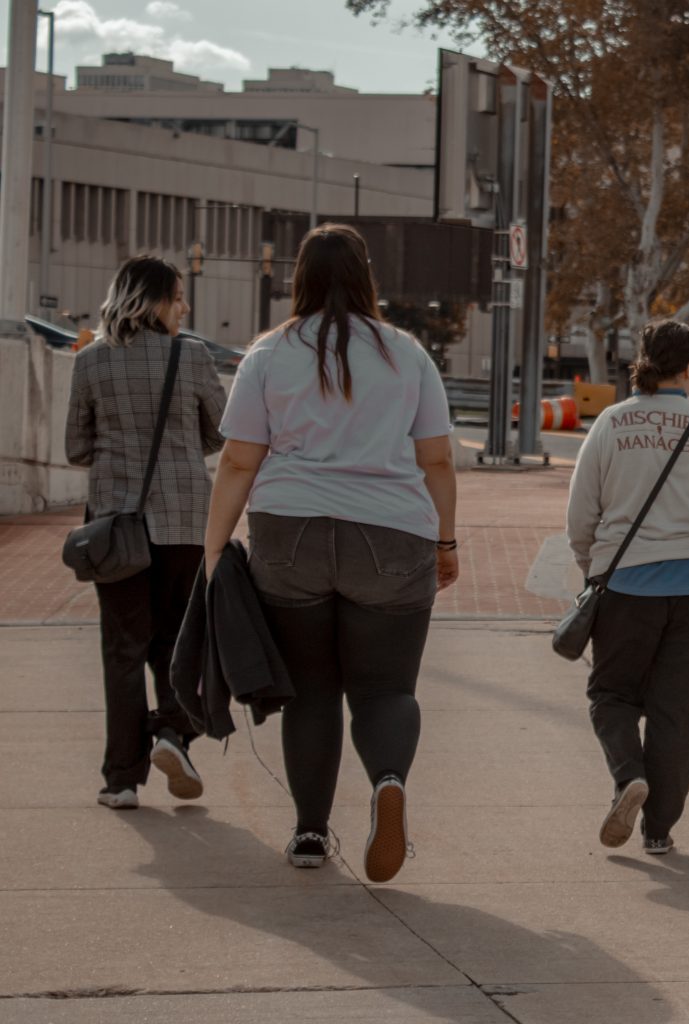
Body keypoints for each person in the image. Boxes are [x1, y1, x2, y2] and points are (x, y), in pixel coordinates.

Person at [204, 223, 459, 881]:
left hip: (291, 534)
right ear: (365, 277)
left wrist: (213, 552)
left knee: (312, 689)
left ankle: (311, 834)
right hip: (393, 534)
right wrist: (446, 540)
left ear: (300, 278)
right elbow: (436, 460)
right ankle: (390, 780)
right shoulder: (409, 355)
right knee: (386, 689)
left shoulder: (267, 355)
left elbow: (237, 460)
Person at [567, 319, 689, 856]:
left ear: (643, 363)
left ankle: (628, 776)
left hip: (625, 585)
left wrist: (592, 566)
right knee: (676, 710)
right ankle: (658, 829)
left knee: (611, 694)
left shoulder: (610, 422)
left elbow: (582, 514)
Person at [67, 255, 227, 811]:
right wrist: (183, 448)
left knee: (123, 649)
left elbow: (75, 448)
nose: (184, 306)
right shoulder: (193, 356)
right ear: (156, 300)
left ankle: (122, 780)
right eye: (178, 296)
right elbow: (220, 432)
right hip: (184, 522)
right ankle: (172, 734)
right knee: (177, 643)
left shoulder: (90, 361)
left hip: (116, 529)